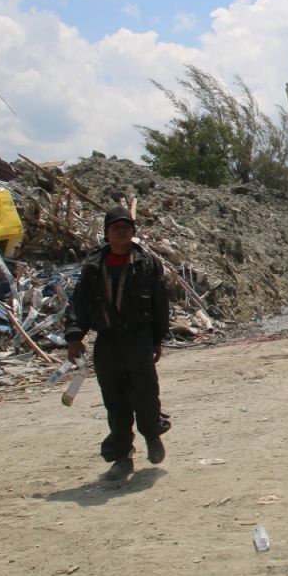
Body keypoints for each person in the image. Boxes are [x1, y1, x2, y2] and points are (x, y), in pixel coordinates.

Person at [65, 206, 170, 481]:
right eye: (116, 227)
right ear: (106, 233)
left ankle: (152, 435)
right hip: (108, 340)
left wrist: (158, 338)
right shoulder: (93, 268)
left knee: (146, 395)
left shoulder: (146, 264)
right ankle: (121, 458)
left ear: (134, 232)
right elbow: (80, 304)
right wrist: (74, 336)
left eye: (127, 227)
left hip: (139, 338)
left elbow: (160, 302)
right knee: (115, 402)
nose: (122, 231)